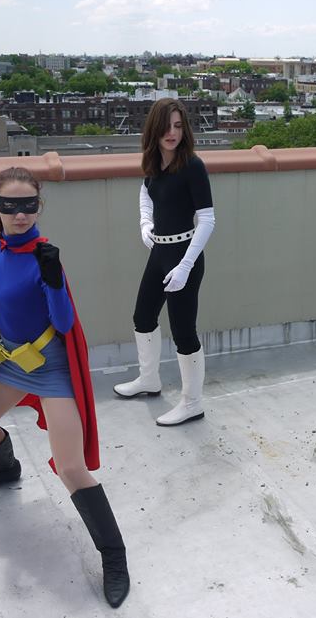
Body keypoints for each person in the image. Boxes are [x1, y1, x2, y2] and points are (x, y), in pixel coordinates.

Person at [0, 167, 129, 608]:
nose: (20, 214)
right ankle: (6, 468)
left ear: (38, 206)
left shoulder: (45, 256)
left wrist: (53, 281)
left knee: (70, 468)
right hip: (11, 363)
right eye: (10, 205)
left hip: (52, 369)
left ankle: (114, 556)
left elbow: (63, 322)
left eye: (28, 205)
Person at [113, 98, 216, 427]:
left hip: (185, 255)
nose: (172, 133)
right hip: (159, 253)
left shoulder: (193, 166)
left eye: (178, 126)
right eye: (166, 126)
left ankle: (192, 403)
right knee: (143, 317)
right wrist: (145, 222)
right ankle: (149, 379)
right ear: (154, 129)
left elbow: (208, 220)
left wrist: (185, 266)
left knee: (184, 331)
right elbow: (146, 191)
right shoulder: (154, 163)